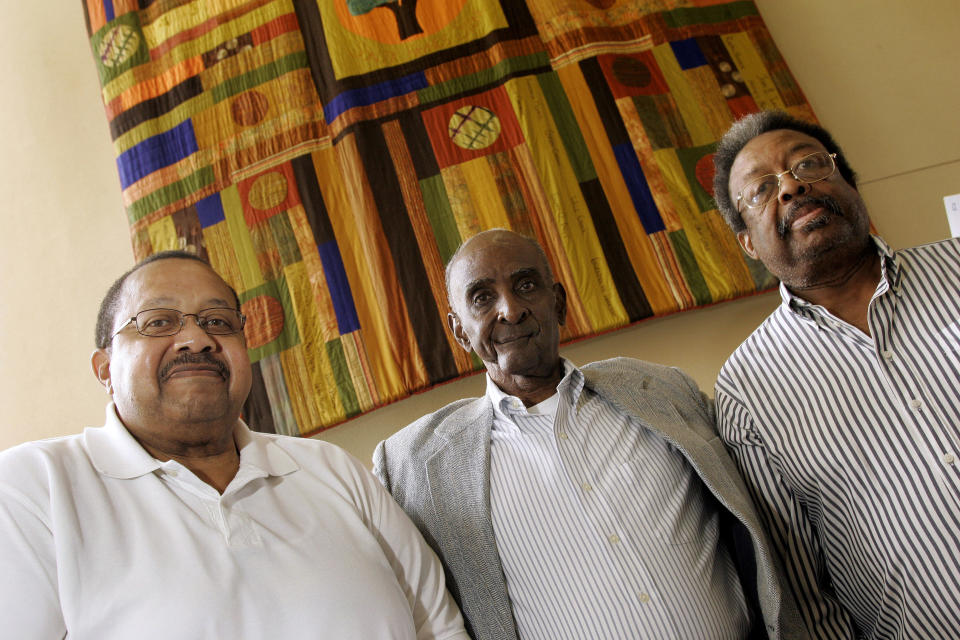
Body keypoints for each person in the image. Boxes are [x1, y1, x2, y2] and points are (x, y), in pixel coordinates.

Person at [0, 250, 469, 640]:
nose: (197, 339)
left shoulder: (332, 469)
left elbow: (439, 629)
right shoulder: (35, 486)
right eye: (159, 321)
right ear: (104, 369)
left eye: (219, 321)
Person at [374, 229, 809, 640]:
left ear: (558, 302)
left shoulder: (663, 390)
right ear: (459, 331)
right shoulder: (413, 466)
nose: (510, 309)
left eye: (526, 285)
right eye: (482, 297)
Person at [712, 110, 960, 639]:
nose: (792, 186)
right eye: (760, 190)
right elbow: (804, 589)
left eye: (808, 164)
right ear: (748, 243)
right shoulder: (748, 389)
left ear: (848, 182)